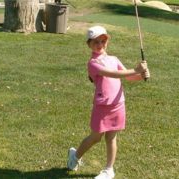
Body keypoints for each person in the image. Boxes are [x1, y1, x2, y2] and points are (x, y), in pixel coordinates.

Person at [67, 25, 150, 179]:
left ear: (107, 41)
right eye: (96, 42)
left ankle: (108, 170)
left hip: (118, 103)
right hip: (102, 105)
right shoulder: (92, 63)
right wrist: (136, 70)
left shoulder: (114, 59)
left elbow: (128, 77)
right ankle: (75, 155)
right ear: (89, 44)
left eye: (103, 41)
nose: (100, 45)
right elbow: (113, 74)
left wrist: (142, 75)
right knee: (95, 137)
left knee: (111, 137)